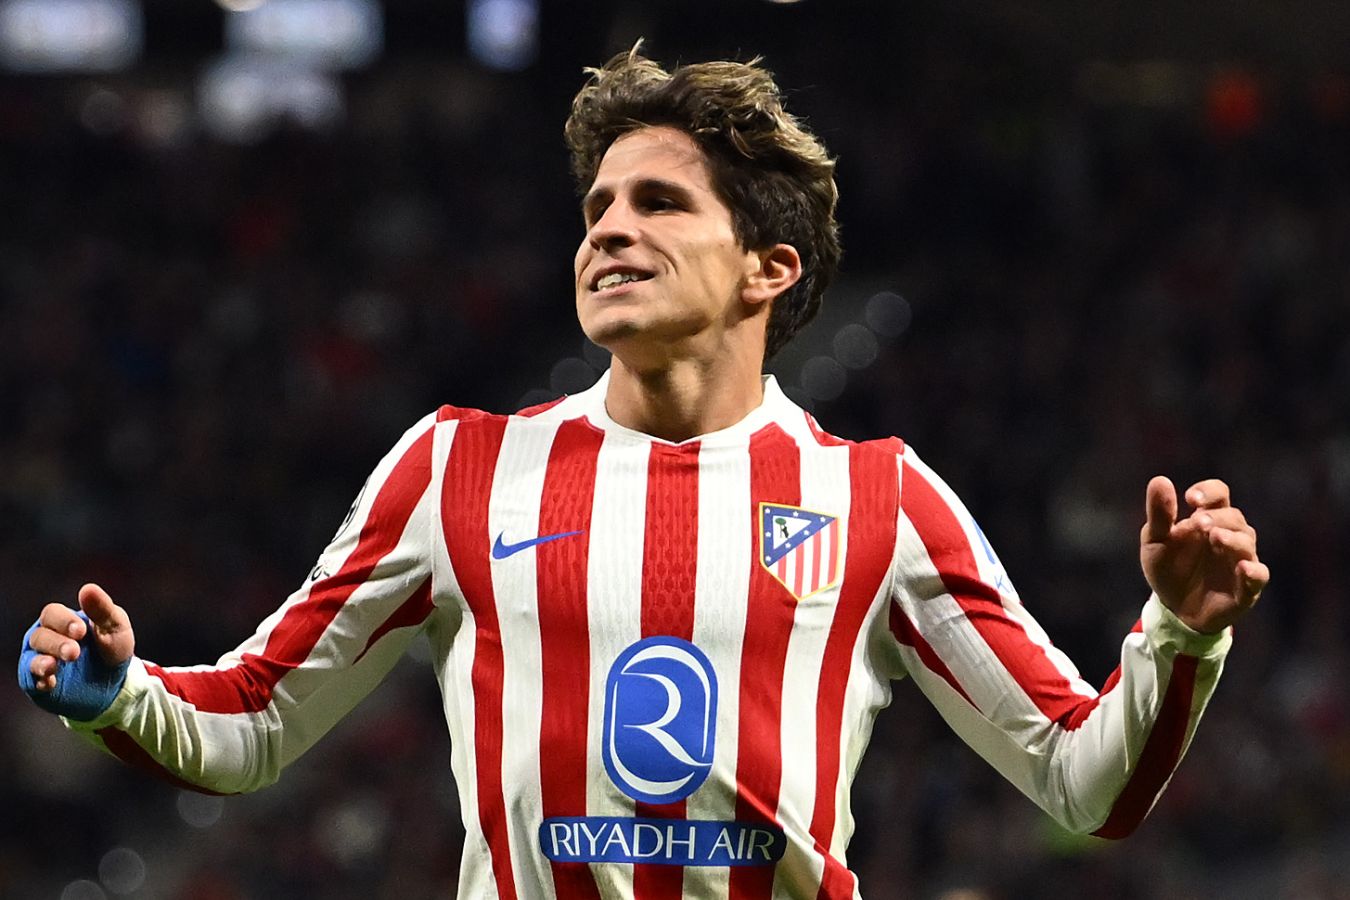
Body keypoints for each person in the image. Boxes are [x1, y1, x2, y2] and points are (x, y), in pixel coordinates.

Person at [18, 46, 1267, 899]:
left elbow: (1082, 783)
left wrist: (1182, 635)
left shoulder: (882, 499)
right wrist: (118, 694)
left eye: (661, 202)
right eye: (598, 207)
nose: (609, 227)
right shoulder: (459, 468)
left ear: (769, 268)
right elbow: (253, 722)